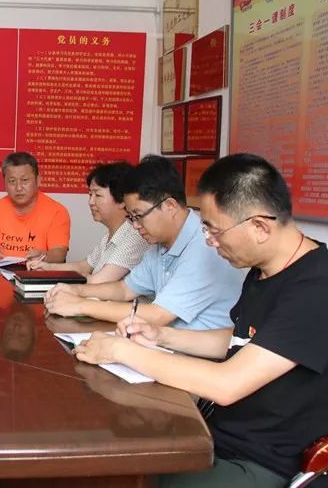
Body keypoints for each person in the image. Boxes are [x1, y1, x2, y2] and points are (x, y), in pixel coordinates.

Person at [73, 154, 328, 488]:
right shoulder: (264, 270)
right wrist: (160, 336)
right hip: (217, 433)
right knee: (114, 451)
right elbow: (240, 339)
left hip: (261, 461)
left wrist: (121, 351)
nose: (209, 241)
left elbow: (227, 384)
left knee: (126, 474)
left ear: (260, 227)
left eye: (215, 230)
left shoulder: (316, 287)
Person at [45, 155, 242, 330]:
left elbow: (159, 314)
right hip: (166, 342)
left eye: (139, 216)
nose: (135, 225)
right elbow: (124, 290)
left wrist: (80, 305)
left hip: (199, 353)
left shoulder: (204, 245)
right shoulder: (160, 243)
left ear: (170, 206)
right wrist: (76, 290)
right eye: (131, 217)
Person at [27, 161, 149, 283]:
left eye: (98, 195)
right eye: (90, 194)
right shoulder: (110, 235)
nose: (91, 202)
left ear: (122, 200)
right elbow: (84, 266)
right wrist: (46, 267)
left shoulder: (134, 235)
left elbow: (98, 281)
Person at [0, 152, 71, 263]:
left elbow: (59, 255)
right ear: (5, 183)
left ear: (38, 180)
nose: (19, 188)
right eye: (12, 181)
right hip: (1, 273)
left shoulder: (57, 212)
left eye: (24, 180)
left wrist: (44, 256)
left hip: (38, 272)